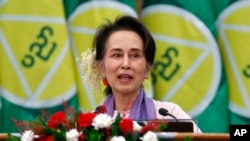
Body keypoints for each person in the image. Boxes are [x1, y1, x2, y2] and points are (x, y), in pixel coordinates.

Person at [80, 15, 201, 133]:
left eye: (135, 55)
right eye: (117, 55)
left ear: (147, 68)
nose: (126, 64)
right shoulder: (90, 125)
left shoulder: (169, 115)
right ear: (101, 68)